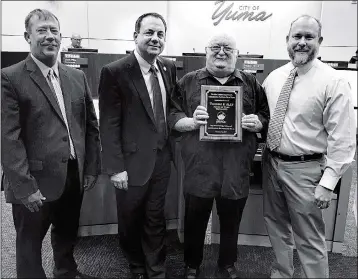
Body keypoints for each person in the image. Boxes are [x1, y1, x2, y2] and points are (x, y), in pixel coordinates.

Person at [1, 9, 101, 278]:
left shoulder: (76, 77)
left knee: (67, 233)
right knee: (29, 245)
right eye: (42, 30)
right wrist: (25, 187)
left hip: (71, 174)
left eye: (54, 31)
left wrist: (90, 168)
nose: (49, 37)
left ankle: (66, 272)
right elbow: (7, 139)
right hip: (33, 181)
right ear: (27, 36)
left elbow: (90, 126)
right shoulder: (10, 77)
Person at [168, 34, 270, 279]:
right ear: (206, 51)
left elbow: (265, 116)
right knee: (194, 220)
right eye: (216, 47)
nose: (221, 52)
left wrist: (257, 122)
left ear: (237, 53)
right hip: (199, 166)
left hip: (236, 167)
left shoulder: (252, 83)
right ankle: (191, 264)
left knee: (231, 220)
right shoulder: (188, 82)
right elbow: (172, 116)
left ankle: (227, 264)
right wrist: (191, 122)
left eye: (228, 48)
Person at [262, 15, 356, 278]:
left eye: (309, 37)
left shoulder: (333, 81)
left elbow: (343, 138)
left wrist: (328, 184)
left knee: (309, 237)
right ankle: (282, 273)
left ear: (320, 42)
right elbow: (265, 117)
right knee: (276, 227)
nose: (302, 43)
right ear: (287, 41)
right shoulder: (274, 77)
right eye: (297, 37)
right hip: (272, 164)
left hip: (306, 169)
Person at [98, 13, 177, 279]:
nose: (155, 38)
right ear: (136, 36)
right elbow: (108, 125)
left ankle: (156, 269)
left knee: (156, 218)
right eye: (149, 33)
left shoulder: (168, 67)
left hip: (161, 161)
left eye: (160, 34)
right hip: (130, 165)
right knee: (130, 219)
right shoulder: (115, 72)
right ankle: (135, 264)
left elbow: (171, 111)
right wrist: (115, 168)